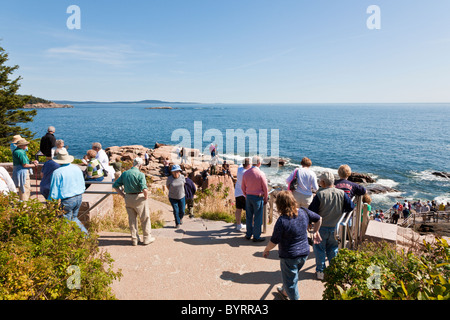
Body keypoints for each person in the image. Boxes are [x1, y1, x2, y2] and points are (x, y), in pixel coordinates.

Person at [263, 191, 322, 300]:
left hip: (290, 256)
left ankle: (292, 295)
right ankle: (285, 292)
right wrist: (316, 231)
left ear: (279, 205)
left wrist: (266, 249)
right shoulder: (304, 212)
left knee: (291, 282)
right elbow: (319, 218)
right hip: (304, 253)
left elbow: (274, 241)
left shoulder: (282, 220)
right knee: (291, 277)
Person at [308, 170, 355, 280]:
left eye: (320, 181)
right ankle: (333, 270)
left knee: (319, 249)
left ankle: (320, 271)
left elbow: (311, 212)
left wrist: (309, 224)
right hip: (336, 228)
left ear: (323, 182)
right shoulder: (341, 193)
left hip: (321, 228)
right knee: (333, 249)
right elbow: (351, 207)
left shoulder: (320, 195)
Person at [113, 157, 155, 246]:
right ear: (140, 165)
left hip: (128, 197)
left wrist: (123, 195)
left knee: (132, 219)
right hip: (139, 197)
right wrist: (146, 197)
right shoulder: (140, 174)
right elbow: (144, 189)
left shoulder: (125, 174)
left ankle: (134, 239)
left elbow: (115, 186)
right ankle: (147, 238)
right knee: (145, 218)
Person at [48, 150, 88, 234]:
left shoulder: (57, 172)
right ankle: (86, 237)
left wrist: (50, 202)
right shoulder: (76, 168)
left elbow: (54, 190)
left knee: (65, 221)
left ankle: (67, 241)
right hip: (78, 197)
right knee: (74, 218)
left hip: (67, 199)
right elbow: (82, 182)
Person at [241, 155, 269, 242]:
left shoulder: (246, 173)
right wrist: (266, 198)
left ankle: (248, 234)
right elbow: (265, 188)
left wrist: (246, 194)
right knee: (258, 218)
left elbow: (243, 187)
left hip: (249, 196)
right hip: (258, 198)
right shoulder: (261, 174)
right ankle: (256, 236)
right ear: (259, 163)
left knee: (248, 216)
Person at [234, 158, 251, 231]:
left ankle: (238, 225)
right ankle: (249, 226)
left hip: (238, 192)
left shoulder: (239, 169)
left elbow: (241, 164)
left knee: (238, 209)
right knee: (249, 211)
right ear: (248, 165)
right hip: (245, 194)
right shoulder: (247, 173)